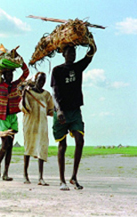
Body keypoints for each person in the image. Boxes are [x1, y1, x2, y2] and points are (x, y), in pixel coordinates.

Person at [51, 39, 97, 190]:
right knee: (62, 145)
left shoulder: (78, 67)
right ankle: (62, 180)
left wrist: (90, 41)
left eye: (74, 52)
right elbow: (54, 93)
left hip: (75, 110)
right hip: (61, 112)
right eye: (69, 52)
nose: (72, 55)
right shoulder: (57, 70)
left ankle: (73, 177)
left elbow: (90, 55)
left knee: (80, 140)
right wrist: (59, 111)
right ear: (63, 54)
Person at [0, 55, 29, 181]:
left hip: (12, 117)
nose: (10, 77)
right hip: (1, 118)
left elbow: (26, 72)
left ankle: (5, 173)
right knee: (5, 144)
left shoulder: (16, 85)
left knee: (11, 146)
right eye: (8, 74)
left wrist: (20, 60)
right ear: (4, 75)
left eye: (11, 74)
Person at [19, 72, 54, 185]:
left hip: (42, 125)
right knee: (29, 147)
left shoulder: (47, 95)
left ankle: (40, 177)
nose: (41, 83)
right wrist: (24, 93)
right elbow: (24, 107)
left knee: (42, 148)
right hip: (30, 124)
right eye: (39, 80)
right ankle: (25, 175)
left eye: (43, 81)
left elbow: (50, 110)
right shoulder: (28, 92)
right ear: (35, 80)